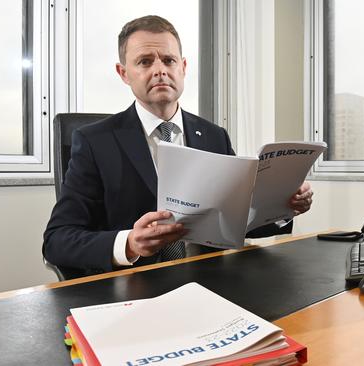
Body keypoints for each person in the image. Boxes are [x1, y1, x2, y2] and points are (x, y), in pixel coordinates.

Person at [43, 15, 313, 275]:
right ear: (123, 73)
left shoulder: (214, 136)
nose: (160, 70)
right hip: (137, 288)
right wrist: (129, 244)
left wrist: (282, 208)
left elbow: (238, 223)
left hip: (213, 281)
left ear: (183, 67)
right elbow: (57, 240)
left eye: (169, 60)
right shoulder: (94, 142)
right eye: (145, 62)